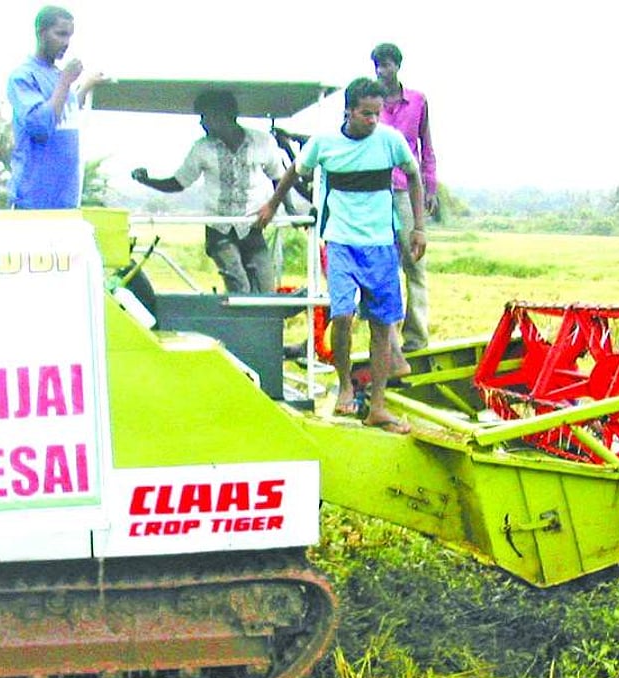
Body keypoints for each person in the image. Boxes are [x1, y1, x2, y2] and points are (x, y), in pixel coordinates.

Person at [256, 78, 426, 434]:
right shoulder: (325, 144)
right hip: (341, 242)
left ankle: (377, 405)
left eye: (377, 114)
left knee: (382, 325)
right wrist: (272, 205)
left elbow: (413, 175)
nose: (373, 120)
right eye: (366, 113)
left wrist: (418, 227)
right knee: (343, 314)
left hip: (380, 244)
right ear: (349, 111)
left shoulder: (390, 142)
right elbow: (293, 173)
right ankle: (346, 384)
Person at [131, 90, 286, 294]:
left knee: (266, 287)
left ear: (225, 116)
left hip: (252, 225)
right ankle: (238, 324)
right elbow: (179, 182)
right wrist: (147, 180)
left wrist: (276, 207)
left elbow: (281, 178)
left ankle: (265, 324)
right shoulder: (202, 149)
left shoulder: (262, 142)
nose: (202, 124)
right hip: (219, 228)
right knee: (240, 286)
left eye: (207, 117)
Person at [372, 42, 438, 355]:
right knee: (383, 265)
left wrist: (430, 188)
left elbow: (426, 147)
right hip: (374, 190)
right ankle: (390, 340)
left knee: (415, 262)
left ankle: (417, 335)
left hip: (406, 189)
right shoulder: (370, 104)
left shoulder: (418, 102)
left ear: (397, 66)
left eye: (386, 65)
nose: (382, 71)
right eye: (378, 66)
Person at [7, 5, 107, 210]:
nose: (66, 43)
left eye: (69, 36)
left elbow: (65, 113)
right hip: (34, 199)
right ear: (41, 33)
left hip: (66, 197)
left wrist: (85, 85)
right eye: (60, 34)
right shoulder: (23, 76)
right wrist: (65, 81)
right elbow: (41, 126)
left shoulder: (57, 75)